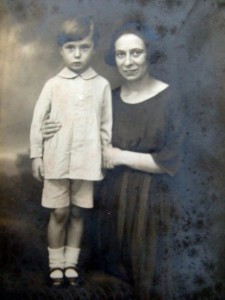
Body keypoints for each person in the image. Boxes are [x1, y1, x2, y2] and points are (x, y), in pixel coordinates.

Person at [41, 19, 182, 299]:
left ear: (149, 53)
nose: (128, 62)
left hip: (149, 212)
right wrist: (49, 129)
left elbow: (171, 162)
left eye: (136, 53)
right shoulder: (110, 98)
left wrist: (119, 156)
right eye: (121, 54)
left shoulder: (170, 99)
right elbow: (80, 133)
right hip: (109, 209)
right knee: (109, 287)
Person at [30, 16, 112, 287]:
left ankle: (70, 264)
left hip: (87, 162)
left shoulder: (100, 85)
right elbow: (37, 122)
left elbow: (104, 125)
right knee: (59, 213)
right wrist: (37, 154)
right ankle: (55, 265)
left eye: (84, 47)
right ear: (60, 49)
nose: (77, 54)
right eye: (70, 47)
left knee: (78, 213)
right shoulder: (53, 84)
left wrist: (105, 153)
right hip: (57, 158)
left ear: (93, 48)